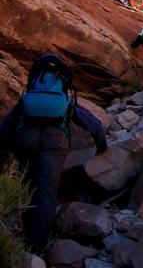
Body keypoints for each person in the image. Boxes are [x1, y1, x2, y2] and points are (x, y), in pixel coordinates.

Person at [0, 53, 107, 255]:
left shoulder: (28, 98)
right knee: (46, 193)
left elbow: (6, 126)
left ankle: (22, 232)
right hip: (54, 144)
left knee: (27, 184)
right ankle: (36, 247)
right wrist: (102, 146)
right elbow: (93, 124)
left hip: (24, 141)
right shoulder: (64, 100)